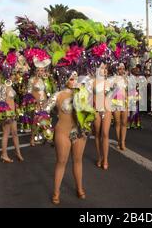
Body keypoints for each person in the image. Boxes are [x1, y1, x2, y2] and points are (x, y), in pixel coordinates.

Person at [48, 72, 88, 205]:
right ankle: (56, 192)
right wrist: (46, 128)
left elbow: (88, 113)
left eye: (76, 79)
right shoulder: (58, 95)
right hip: (62, 131)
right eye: (71, 79)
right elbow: (43, 111)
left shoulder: (83, 93)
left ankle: (79, 188)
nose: (74, 81)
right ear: (65, 79)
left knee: (78, 160)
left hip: (78, 131)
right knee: (61, 161)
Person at [0, 74, 24, 163]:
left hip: (13, 113)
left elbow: (12, 99)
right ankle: (4, 155)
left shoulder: (11, 86)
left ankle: (18, 152)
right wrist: (5, 114)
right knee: (6, 133)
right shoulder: (2, 87)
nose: (14, 76)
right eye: (12, 75)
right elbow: (0, 102)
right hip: (7, 113)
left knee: (15, 133)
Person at [93, 63, 113, 170]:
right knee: (97, 134)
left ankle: (105, 159)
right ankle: (99, 157)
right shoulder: (93, 82)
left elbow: (114, 97)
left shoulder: (109, 82)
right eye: (102, 68)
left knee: (105, 133)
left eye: (106, 68)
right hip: (96, 110)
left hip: (107, 110)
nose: (104, 70)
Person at [112, 63, 129, 151]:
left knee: (124, 123)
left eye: (123, 68)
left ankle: (122, 142)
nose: (122, 70)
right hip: (115, 102)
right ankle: (119, 141)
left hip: (124, 102)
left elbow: (128, 91)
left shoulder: (127, 78)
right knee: (117, 122)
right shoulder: (113, 79)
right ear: (116, 69)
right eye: (120, 69)